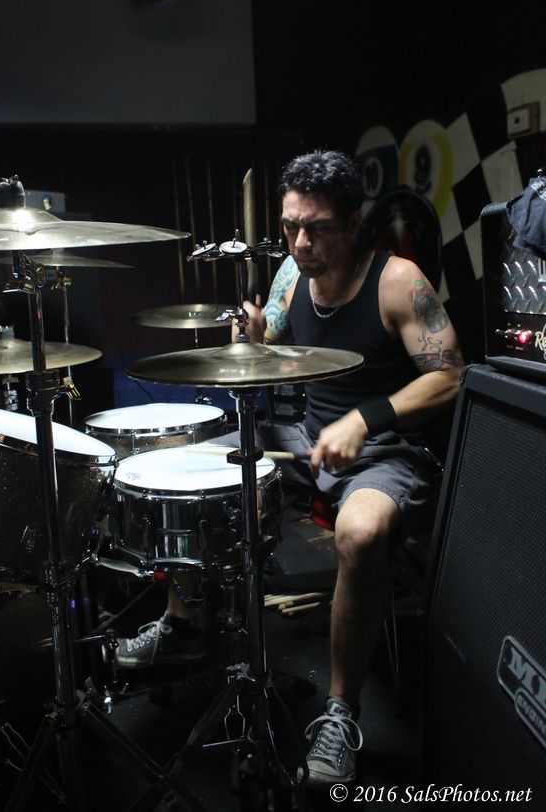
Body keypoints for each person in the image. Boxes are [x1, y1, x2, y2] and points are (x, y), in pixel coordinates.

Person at [115, 149, 463, 790]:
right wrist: (253, 337)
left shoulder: (398, 281)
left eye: (318, 229)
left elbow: (450, 376)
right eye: (291, 226)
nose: (301, 243)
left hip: (387, 448)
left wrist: (366, 420)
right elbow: (271, 340)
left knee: (360, 532)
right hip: (308, 438)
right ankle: (183, 625)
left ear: (353, 223)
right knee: (190, 477)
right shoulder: (291, 274)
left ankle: (340, 715)